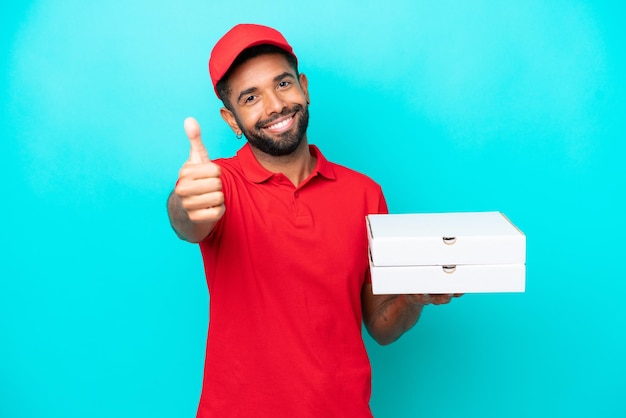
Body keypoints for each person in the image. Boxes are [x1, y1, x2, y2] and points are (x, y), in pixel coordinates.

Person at [167, 23, 461, 418]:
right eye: (251, 97)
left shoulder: (364, 193)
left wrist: (413, 296)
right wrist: (187, 204)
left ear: (304, 87)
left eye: (283, 84)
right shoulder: (219, 185)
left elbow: (380, 325)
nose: (274, 105)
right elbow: (189, 220)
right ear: (231, 119)